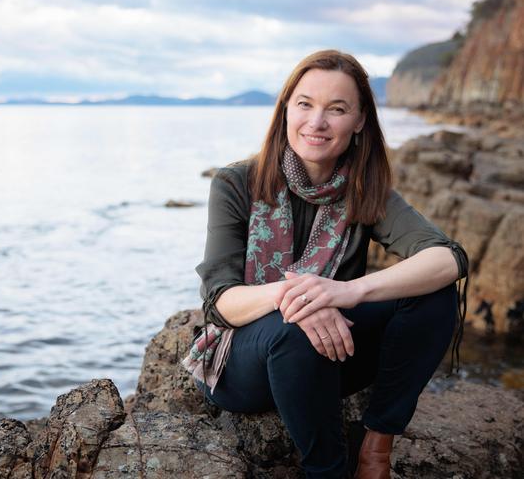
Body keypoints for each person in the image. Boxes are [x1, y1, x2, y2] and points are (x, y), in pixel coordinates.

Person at [183, 50, 468, 479]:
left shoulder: (367, 190)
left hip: (328, 359)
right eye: (305, 104)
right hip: (242, 364)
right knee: (295, 321)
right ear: (285, 111)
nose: (316, 122)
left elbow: (448, 257)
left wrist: (349, 291)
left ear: (359, 121)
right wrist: (296, 295)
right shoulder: (236, 182)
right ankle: (327, 470)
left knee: (433, 294)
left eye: (336, 109)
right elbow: (221, 302)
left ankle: (375, 446)